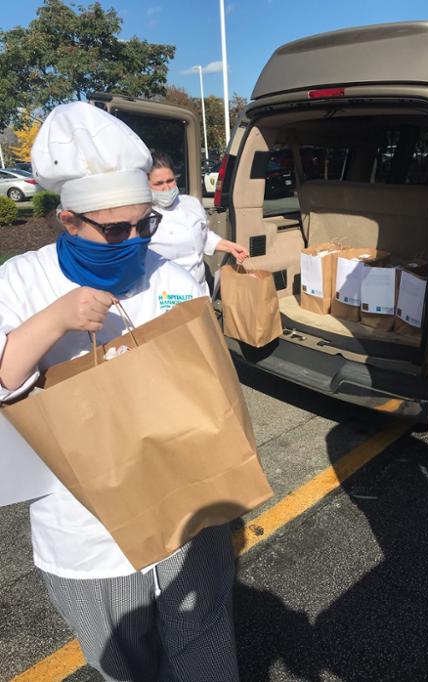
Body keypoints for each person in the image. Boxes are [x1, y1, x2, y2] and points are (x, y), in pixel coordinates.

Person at [0, 102, 239, 682]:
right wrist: (56, 319)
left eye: (143, 224)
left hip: (187, 509)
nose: (133, 240)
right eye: (114, 228)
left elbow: (206, 383)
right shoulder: (22, 279)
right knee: (123, 664)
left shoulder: (169, 276)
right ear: (68, 219)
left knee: (204, 647)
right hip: (85, 529)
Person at [148, 152, 249, 296]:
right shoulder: (142, 216)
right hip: (166, 297)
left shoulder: (191, 203)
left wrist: (229, 246)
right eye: (159, 184)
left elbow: (204, 235)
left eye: (170, 180)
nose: (167, 188)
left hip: (199, 290)